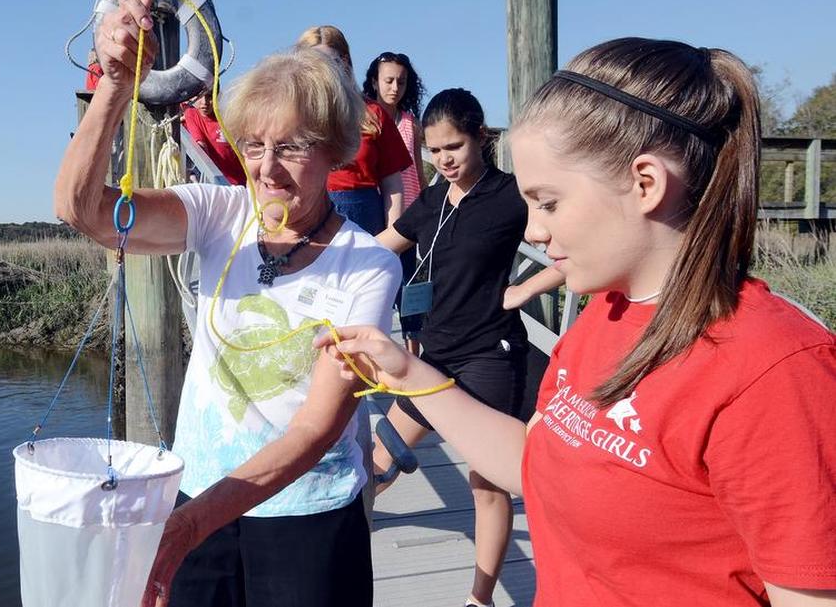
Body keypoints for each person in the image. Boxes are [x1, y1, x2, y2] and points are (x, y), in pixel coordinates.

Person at [316, 37, 836, 607]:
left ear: (646, 184)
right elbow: (535, 464)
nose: (534, 232)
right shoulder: (606, 313)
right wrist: (408, 373)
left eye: (549, 203)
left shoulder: (778, 374)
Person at [54, 0, 401, 607]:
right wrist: (114, 86)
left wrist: (190, 524)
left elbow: (318, 428)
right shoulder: (220, 213)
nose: (267, 169)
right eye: (255, 145)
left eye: (293, 147)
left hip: (306, 514)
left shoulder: (367, 265)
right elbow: (83, 212)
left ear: (337, 151)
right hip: (198, 498)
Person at [371, 87, 564, 607]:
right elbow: (385, 244)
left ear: (482, 137)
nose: (445, 160)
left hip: (489, 355)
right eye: (434, 151)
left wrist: (526, 289)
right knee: (377, 460)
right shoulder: (432, 198)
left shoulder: (510, 194)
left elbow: (575, 243)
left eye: (454, 147)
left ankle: (479, 600)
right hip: (432, 357)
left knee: (486, 484)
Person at [296, 26, 410, 235]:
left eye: (330, 62)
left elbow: (393, 185)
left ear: (345, 61)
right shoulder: (292, 117)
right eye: (313, 63)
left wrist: (392, 239)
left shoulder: (374, 113)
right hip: (307, 219)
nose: (323, 70)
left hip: (366, 220)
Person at [363, 51, 428, 351]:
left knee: (410, 282)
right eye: (388, 80)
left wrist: (429, 204)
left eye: (401, 82)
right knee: (379, 282)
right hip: (382, 209)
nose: (394, 88)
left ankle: (413, 349)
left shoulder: (410, 122)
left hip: (412, 208)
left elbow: (417, 166)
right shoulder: (365, 119)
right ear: (375, 82)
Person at [181, 87, 247, 185]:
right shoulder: (191, 113)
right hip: (220, 182)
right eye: (200, 97)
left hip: (242, 182)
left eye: (209, 96)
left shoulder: (226, 118)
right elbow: (201, 146)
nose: (204, 102)